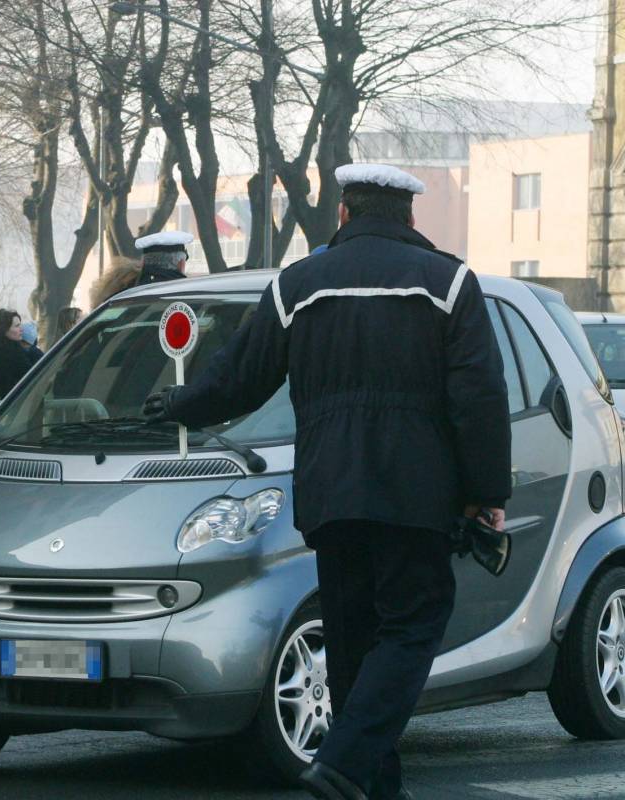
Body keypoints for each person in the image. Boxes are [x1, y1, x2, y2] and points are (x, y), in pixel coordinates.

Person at [142, 163, 511, 800]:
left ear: (343, 214)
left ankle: (373, 785)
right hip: (416, 495)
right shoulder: (449, 283)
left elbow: (241, 376)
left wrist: (179, 405)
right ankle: (343, 763)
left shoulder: (299, 284)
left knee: (351, 641)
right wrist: (487, 494)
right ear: (410, 218)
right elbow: (478, 397)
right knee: (413, 625)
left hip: (330, 493)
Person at [0, 309, 35, 398]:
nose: (21, 329)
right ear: (4, 330)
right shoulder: (7, 356)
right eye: (17, 326)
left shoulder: (19, 351)